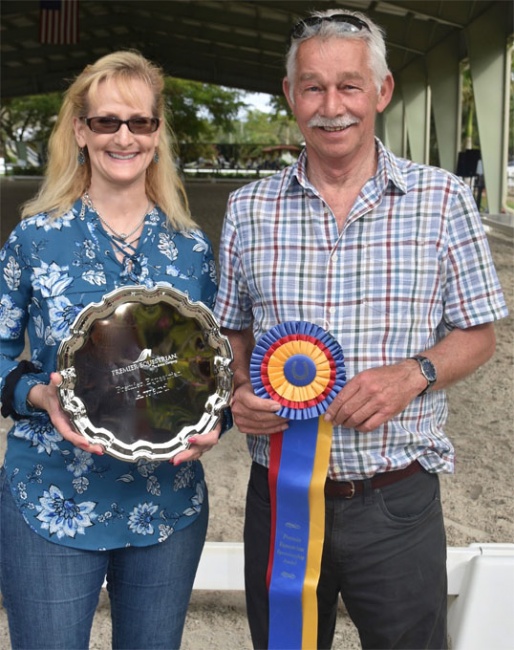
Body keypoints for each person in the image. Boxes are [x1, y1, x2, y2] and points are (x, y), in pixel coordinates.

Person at [214, 9, 508, 650]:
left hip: (396, 501)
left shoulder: (443, 201)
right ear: (290, 95)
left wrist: (415, 374)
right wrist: (241, 388)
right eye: (313, 87)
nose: (331, 106)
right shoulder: (248, 209)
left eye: (349, 85)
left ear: (382, 91)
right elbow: (232, 331)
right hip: (281, 501)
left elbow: (479, 334)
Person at [0, 51, 228, 649]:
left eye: (140, 122)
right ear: (80, 130)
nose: (123, 136)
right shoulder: (35, 237)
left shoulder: (192, 249)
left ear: (156, 134)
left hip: (167, 505)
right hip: (52, 498)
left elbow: (210, 368)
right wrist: (37, 392)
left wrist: (217, 422)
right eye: (107, 121)